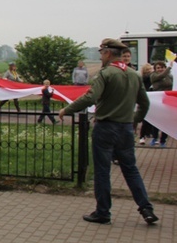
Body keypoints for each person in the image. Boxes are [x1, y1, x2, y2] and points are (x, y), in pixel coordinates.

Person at [58, 38, 158, 225]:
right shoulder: (133, 74)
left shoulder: (106, 74)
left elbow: (91, 97)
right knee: (131, 169)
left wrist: (67, 109)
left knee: (102, 170)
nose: (101, 57)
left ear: (108, 53)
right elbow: (144, 103)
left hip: (106, 127)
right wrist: (133, 120)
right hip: (126, 128)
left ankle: (103, 212)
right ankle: (146, 208)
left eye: (101, 53)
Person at [149, 60, 173, 148]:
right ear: (155, 69)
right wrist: (169, 67)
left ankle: (163, 140)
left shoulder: (169, 76)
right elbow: (161, 76)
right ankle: (155, 137)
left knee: (166, 121)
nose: (160, 69)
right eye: (158, 68)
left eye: (162, 67)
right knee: (156, 120)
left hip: (167, 100)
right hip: (157, 101)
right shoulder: (153, 76)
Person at [138, 63, 155, 145]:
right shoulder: (144, 78)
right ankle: (142, 136)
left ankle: (148, 133)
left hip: (152, 100)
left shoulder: (153, 78)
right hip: (145, 100)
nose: (150, 71)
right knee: (146, 119)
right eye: (148, 70)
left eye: (150, 69)